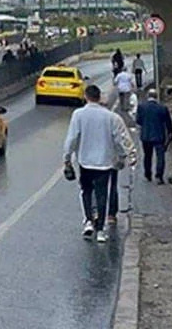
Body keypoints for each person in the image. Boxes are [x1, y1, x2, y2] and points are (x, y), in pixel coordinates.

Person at [62, 84, 130, 243]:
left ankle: (88, 221)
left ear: (86, 96)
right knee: (101, 195)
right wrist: (121, 157)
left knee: (86, 191)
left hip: (85, 162)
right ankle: (100, 229)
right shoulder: (109, 116)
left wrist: (67, 158)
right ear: (99, 98)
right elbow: (117, 139)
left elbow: (72, 138)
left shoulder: (78, 115)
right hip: (104, 162)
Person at [136, 89, 172, 185]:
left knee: (147, 155)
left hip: (146, 135)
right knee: (160, 156)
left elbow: (138, 120)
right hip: (159, 135)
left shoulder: (142, 107)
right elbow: (168, 123)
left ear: (147, 96)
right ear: (156, 97)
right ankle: (159, 176)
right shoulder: (162, 108)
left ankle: (148, 173)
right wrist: (170, 133)